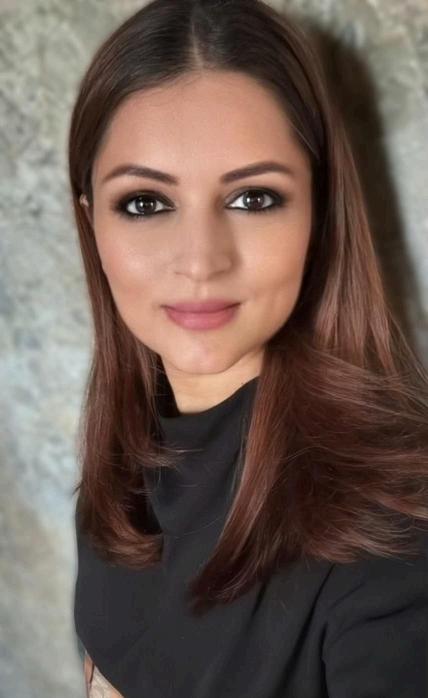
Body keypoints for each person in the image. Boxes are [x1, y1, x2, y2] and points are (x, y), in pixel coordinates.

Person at [68, 0, 428, 696]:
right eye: (145, 203)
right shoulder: (126, 460)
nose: (201, 262)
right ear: (92, 226)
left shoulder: (395, 540)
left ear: (319, 215)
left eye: (253, 199)